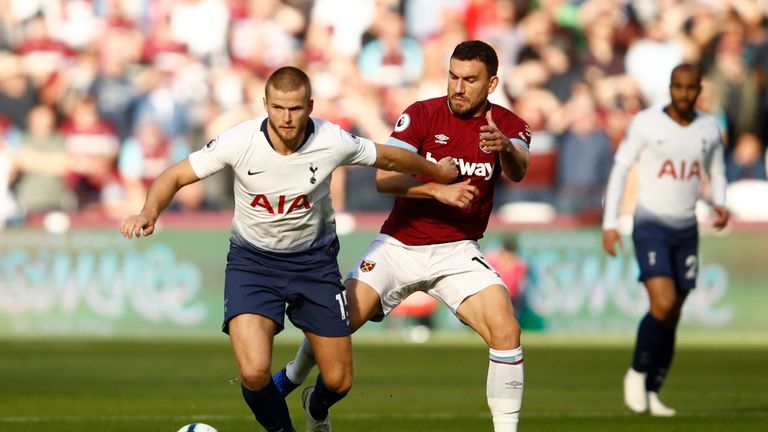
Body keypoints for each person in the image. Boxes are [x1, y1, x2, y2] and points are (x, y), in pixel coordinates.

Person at [120, 66, 458, 432]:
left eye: (295, 108)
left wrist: (436, 173)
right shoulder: (239, 140)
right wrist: (149, 211)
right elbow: (174, 175)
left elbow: (389, 157)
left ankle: (314, 402)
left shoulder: (332, 139)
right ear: (264, 103)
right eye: (278, 107)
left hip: (314, 264)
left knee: (339, 380)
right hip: (253, 264)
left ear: (310, 105)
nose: (286, 117)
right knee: (253, 372)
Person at [274, 40, 532, 432]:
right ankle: (305, 387)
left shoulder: (508, 126)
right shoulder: (421, 115)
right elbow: (385, 179)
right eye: (453, 77)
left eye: (470, 80)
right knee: (334, 323)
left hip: (458, 251)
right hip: (399, 245)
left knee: (506, 329)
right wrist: (436, 188)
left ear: (492, 83)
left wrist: (505, 150)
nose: (458, 88)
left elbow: (520, 168)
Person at [602, 63, 729, 417]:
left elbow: (717, 171)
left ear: (699, 89)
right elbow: (621, 168)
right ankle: (637, 371)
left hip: (686, 228)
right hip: (650, 224)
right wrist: (610, 222)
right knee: (663, 301)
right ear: (670, 88)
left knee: (673, 313)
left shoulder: (709, 128)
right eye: (678, 87)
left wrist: (720, 202)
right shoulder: (646, 123)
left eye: (691, 88)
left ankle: (654, 390)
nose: (684, 94)